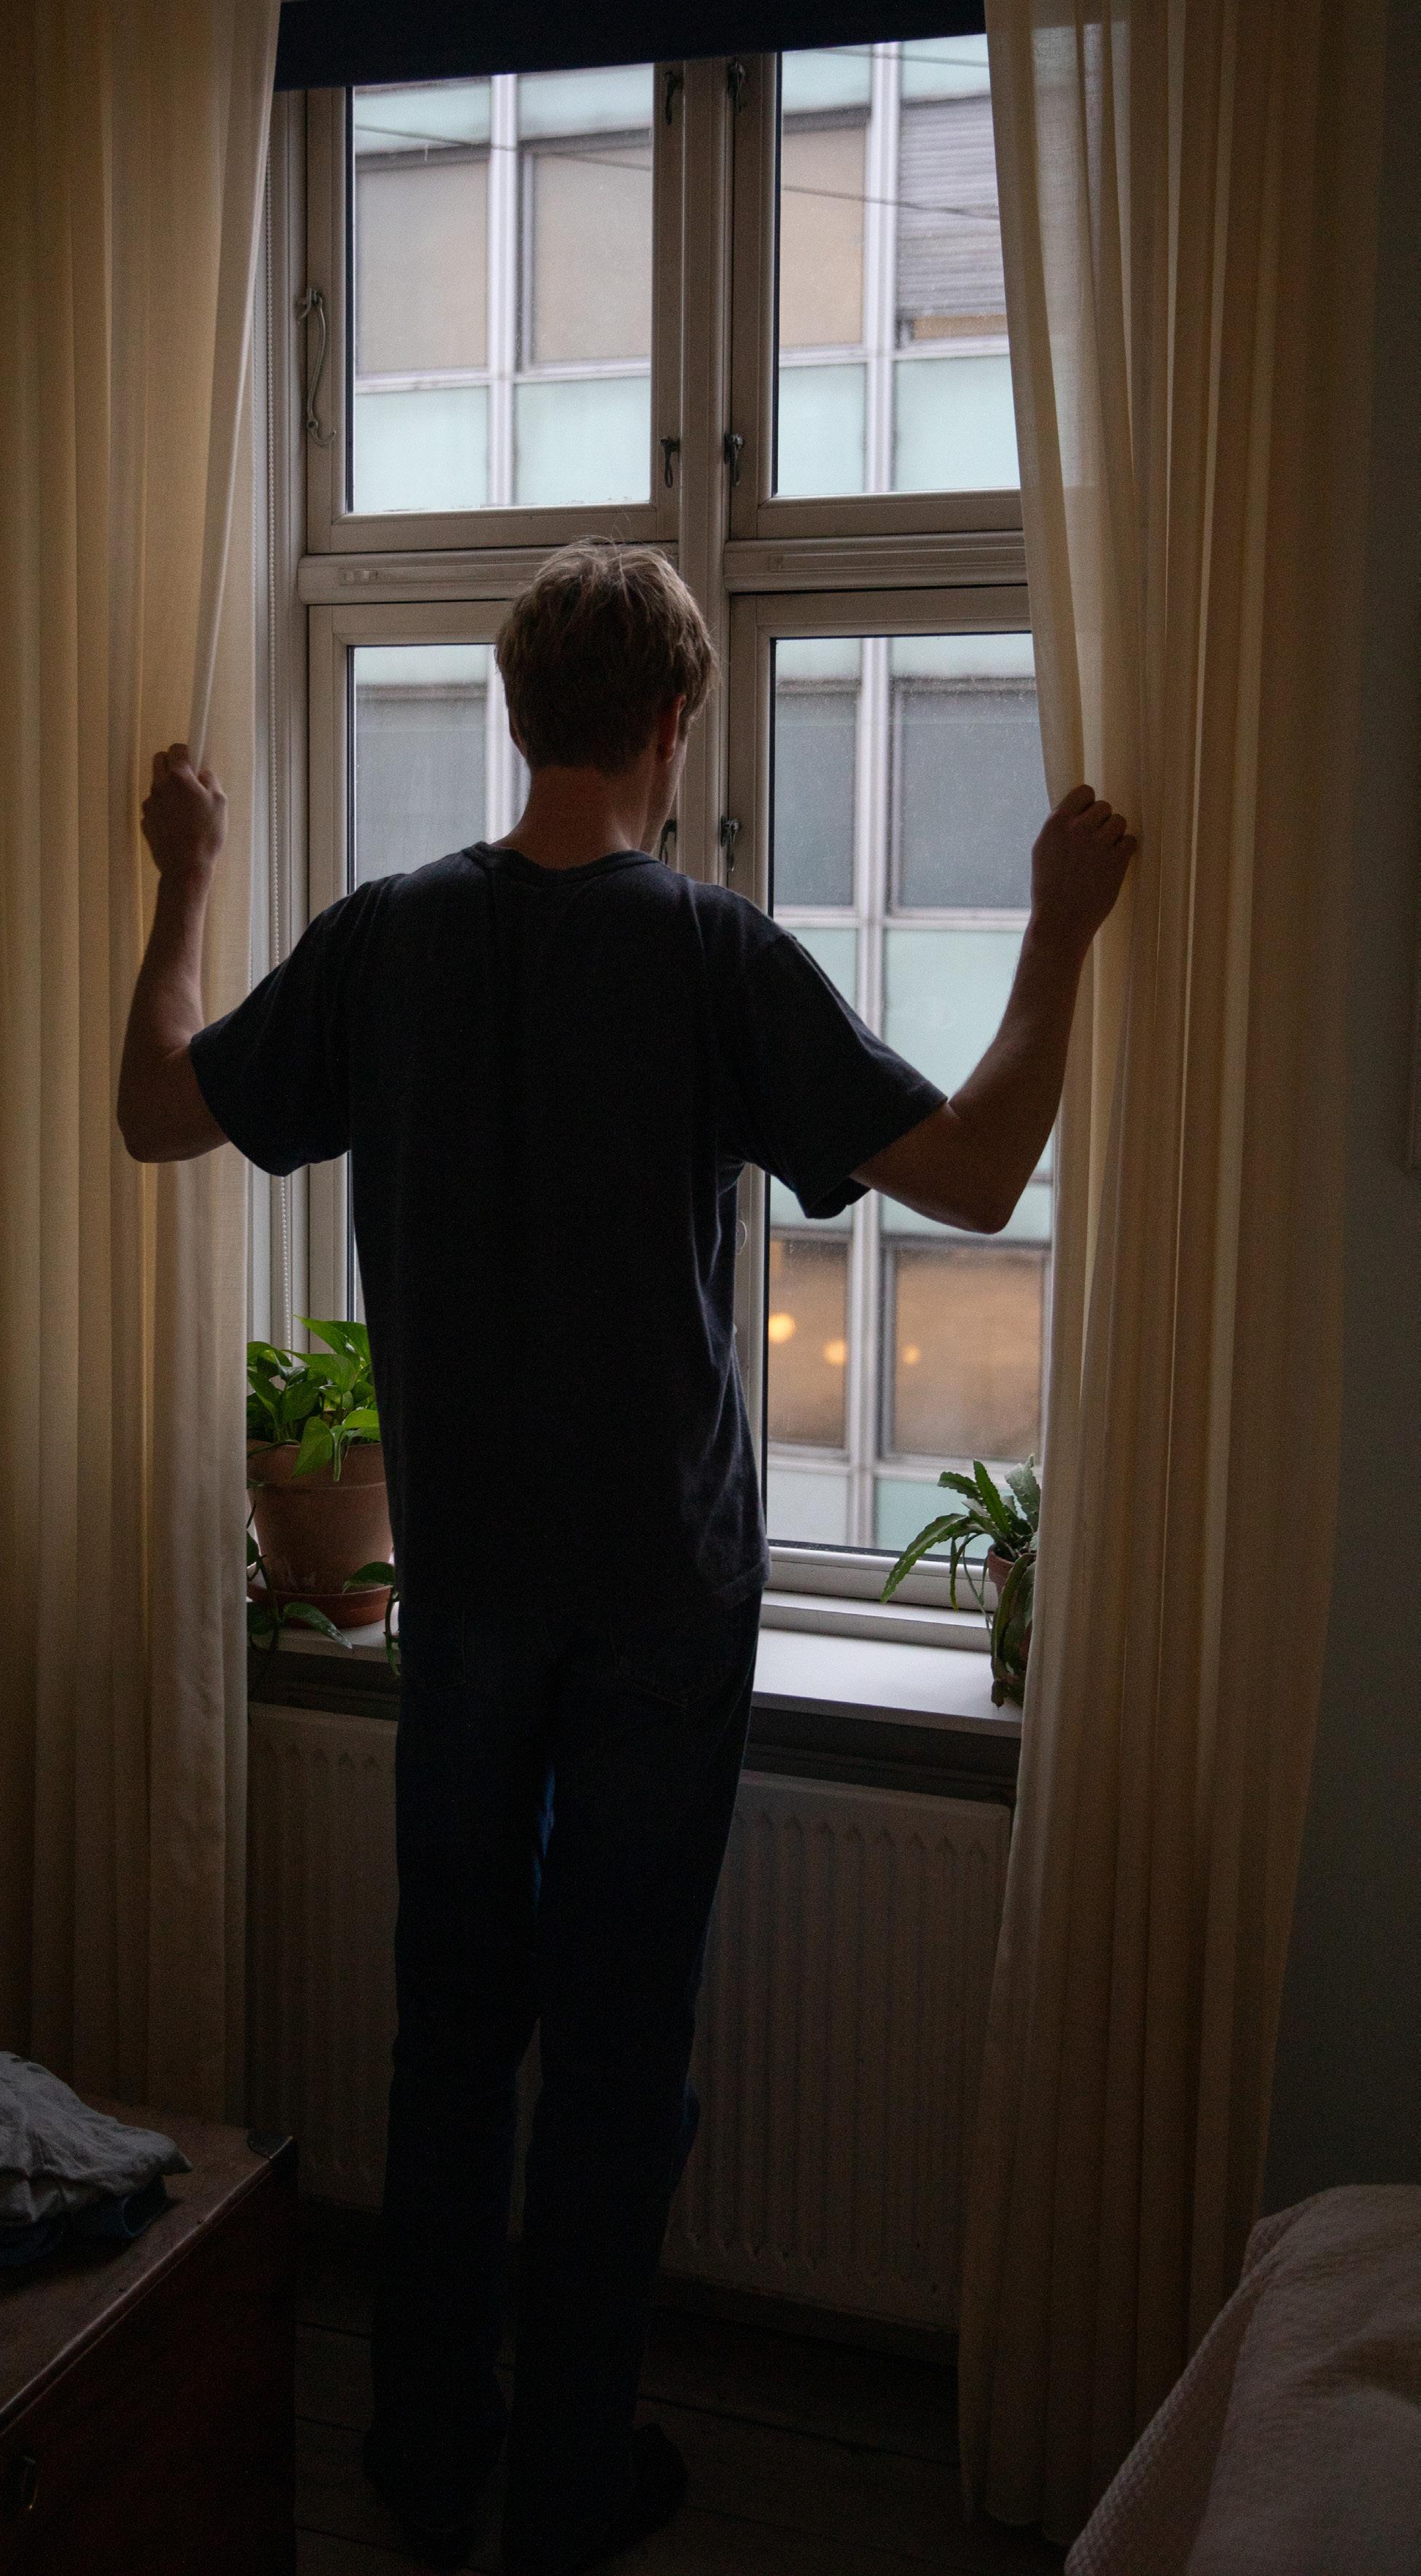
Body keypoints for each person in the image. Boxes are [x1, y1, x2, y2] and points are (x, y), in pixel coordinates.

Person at [117, 540, 1134, 2576]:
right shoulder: (710, 953)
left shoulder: (387, 937)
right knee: (615, 2054)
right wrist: (1054, 934)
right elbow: (976, 1170)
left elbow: (155, 1109)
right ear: (675, 722)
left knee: (451, 2033)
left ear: (519, 717)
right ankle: (568, 2489)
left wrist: (186, 877)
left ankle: (424, 2457)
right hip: (660, 1596)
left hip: (465, 1588)